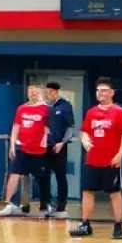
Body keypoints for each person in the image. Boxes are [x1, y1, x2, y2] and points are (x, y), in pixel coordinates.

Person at [69, 78, 122, 241]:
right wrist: (83, 138)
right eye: (98, 91)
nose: (100, 93)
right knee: (88, 191)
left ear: (111, 93)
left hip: (111, 160)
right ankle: (85, 223)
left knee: (114, 192)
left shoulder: (119, 111)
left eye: (104, 90)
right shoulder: (91, 112)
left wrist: (120, 154)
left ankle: (118, 224)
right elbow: (83, 130)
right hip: (92, 159)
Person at [0, 85, 51, 217]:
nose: (33, 94)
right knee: (14, 174)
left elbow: (50, 128)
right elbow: (16, 127)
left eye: (36, 92)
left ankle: (45, 204)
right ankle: (7, 203)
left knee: (41, 178)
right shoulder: (21, 108)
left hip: (39, 151)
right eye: (31, 91)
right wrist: (12, 146)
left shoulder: (46, 109)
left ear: (41, 93)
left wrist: (47, 139)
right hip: (22, 149)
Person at [44, 81, 74, 219]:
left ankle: (62, 205)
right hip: (46, 146)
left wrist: (62, 142)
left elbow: (70, 127)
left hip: (59, 147)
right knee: (44, 175)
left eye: (50, 92)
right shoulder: (47, 107)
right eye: (47, 92)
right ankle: (47, 204)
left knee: (60, 176)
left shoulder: (65, 106)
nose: (48, 94)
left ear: (56, 92)